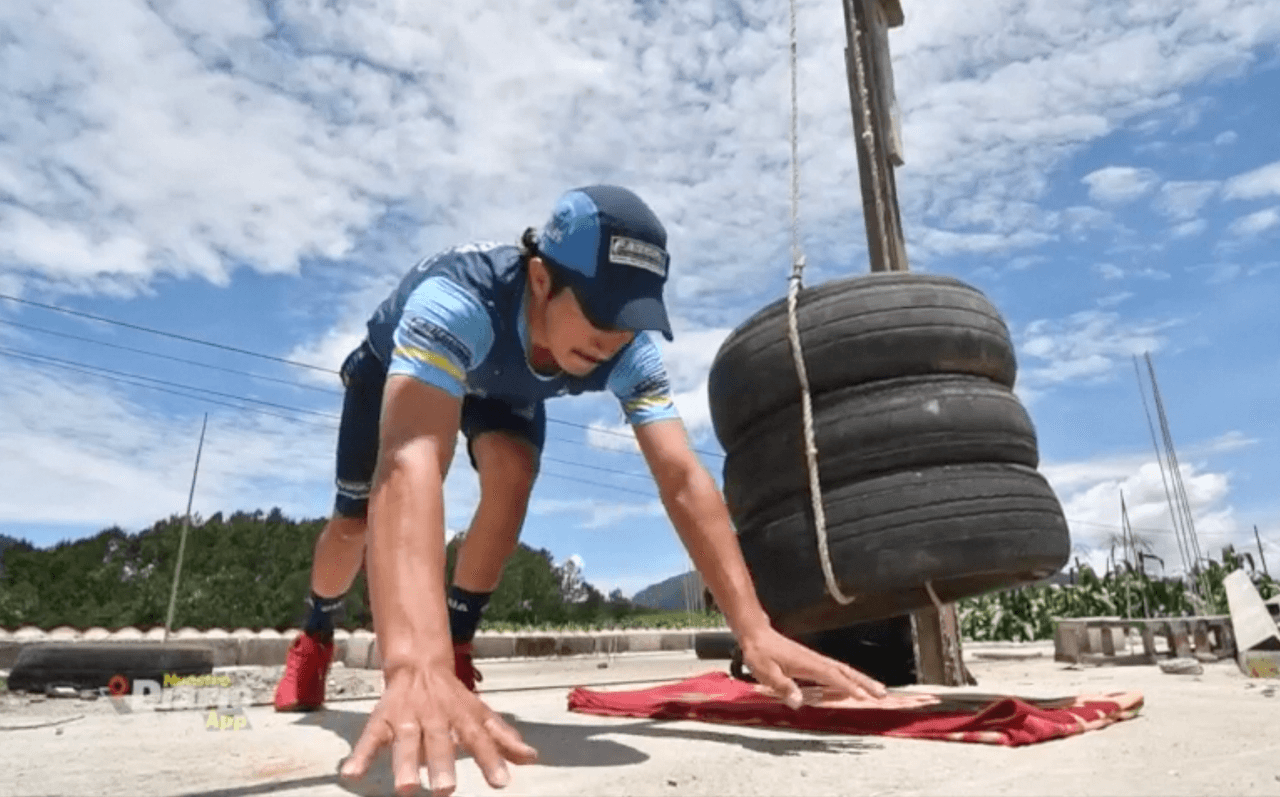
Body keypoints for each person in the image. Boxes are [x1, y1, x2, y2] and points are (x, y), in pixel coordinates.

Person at [272, 184, 887, 795]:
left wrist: (753, 628)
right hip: (398, 364)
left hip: (505, 386)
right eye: (602, 314)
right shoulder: (456, 300)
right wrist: (411, 661)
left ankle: (456, 645)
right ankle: (317, 633)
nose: (612, 340)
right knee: (352, 524)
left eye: (632, 320)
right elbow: (412, 462)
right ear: (541, 280)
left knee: (512, 476)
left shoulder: (623, 351)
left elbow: (681, 479)